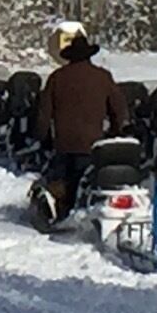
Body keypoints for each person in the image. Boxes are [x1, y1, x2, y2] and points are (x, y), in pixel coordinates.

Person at [33, 19, 128, 226]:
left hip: (65, 143)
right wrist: (115, 132)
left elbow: (43, 114)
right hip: (93, 143)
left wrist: (43, 138)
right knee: (88, 179)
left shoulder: (57, 78)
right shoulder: (103, 77)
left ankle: (59, 213)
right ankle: (84, 213)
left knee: (63, 180)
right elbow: (119, 110)